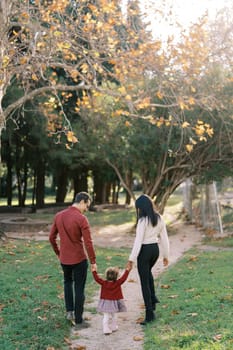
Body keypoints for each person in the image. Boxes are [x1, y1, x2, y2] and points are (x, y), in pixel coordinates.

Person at [49, 191, 96, 328]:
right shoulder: (81, 219)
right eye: (87, 206)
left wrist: (59, 253)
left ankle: (70, 312)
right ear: (82, 201)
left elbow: (51, 238)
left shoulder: (59, 216)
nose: (86, 209)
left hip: (64, 259)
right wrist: (93, 261)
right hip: (79, 259)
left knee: (67, 283)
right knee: (79, 288)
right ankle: (79, 319)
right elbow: (88, 243)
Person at [128, 194, 169, 325]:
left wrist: (131, 259)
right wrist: (165, 255)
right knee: (147, 274)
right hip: (154, 251)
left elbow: (138, 241)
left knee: (144, 282)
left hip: (144, 252)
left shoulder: (142, 221)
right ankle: (153, 299)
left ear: (142, 208)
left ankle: (149, 314)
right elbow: (165, 238)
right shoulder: (159, 218)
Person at [91, 263, 132, 335]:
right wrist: (127, 270)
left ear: (106, 276)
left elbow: (97, 278)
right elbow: (123, 278)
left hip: (105, 302)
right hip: (114, 302)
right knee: (114, 315)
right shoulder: (118, 283)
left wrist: (94, 271)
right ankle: (113, 327)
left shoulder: (103, 283)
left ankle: (105, 328)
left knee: (106, 316)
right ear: (116, 276)